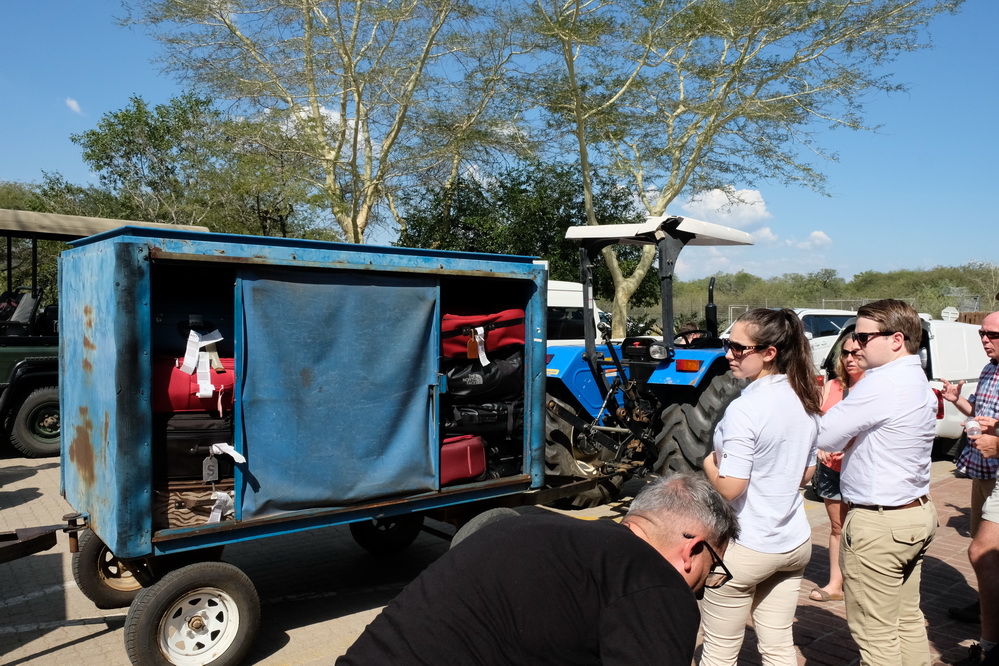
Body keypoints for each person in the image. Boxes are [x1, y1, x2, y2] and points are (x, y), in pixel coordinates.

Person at [337, 473, 740, 666]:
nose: (703, 587)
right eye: (712, 568)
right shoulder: (654, 580)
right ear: (693, 549)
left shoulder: (527, 525)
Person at [817, 299, 938, 666]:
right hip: (915, 512)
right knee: (906, 619)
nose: (855, 343)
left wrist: (848, 437)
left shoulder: (882, 383)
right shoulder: (915, 377)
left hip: (880, 523)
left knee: (876, 635)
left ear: (897, 339)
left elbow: (825, 434)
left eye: (863, 336)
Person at [699, 308, 821, 666]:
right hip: (794, 540)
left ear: (769, 353)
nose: (728, 355)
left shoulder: (745, 409)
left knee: (719, 652)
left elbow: (732, 488)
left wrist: (708, 463)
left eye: (739, 348)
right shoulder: (806, 399)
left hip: (748, 544)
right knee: (779, 646)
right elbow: (806, 475)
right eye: (728, 344)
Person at [947, 312, 999, 664]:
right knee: (983, 551)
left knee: (983, 551)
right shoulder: (988, 369)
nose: (985, 339)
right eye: (982, 333)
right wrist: (956, 401)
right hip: (982, 469)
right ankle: (986, 607)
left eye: (993, 334)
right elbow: (978, 415)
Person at [808, 335, 866, 603]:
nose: (850, 358)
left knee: (864, 528)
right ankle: (835, 584)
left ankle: (862, 585)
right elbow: (816, 423)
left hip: (864, 471)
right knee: (837, 527)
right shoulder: (832, 386)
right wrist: (819, 445)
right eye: (845, 353)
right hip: (833, 469)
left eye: (856, 353)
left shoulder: (876, 388)